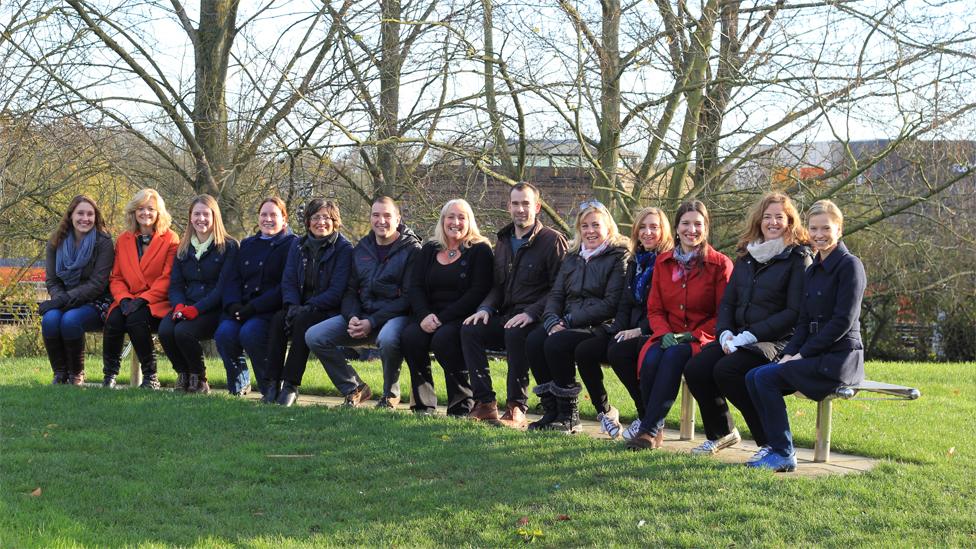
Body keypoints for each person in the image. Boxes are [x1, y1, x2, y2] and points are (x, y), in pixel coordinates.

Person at [683, 193, 811, 459]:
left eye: (779, 217)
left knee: (727, 371)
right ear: (758, 221)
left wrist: (751, 335)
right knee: (696, 368)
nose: (773, 222)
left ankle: (770, 442)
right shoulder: (747, 255)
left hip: (776, 341)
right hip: (740, 337)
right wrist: (726, 332)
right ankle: (722, 433)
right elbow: (728, 302)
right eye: (767, 217)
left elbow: (794, 312)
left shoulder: (798, 257)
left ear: (789, 221)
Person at [745, 200, 866, 472]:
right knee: (754, 376)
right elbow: (802, 322)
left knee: (765, 378)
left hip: (839, 358)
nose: (819, 234)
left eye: (826, 228)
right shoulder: (812, 269)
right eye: (814, 228)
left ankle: (783, 453)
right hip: (814, 354)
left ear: (840, 229)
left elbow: (842, 322)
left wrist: (803, 354)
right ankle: (774, 448)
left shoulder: (850, 266)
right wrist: (788, 354)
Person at [627, 200, 733, 450]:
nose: (691, 230)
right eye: (685, 223)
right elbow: (655, 308)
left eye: (698, 224)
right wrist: (664, 333)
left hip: (701, 338)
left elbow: (724, 313)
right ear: (676, 228)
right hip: (666, 334)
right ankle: (653, 426)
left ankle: (648, 431)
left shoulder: (720, 264)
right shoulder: (663, 263)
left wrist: (690, 336)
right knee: (650, 359)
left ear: (706, 227)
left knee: (674, 355)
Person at [460, 183, 567, 427]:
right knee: (469, 329)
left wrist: (531, 313)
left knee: (515, 331)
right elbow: (498, 286)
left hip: (537, 319)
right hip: (507, 314)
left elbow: (559, 290)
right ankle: (485, 403)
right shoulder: (503, 241)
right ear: (508, 206)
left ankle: (516, 407)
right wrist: (485, 308)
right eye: (516, 203)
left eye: (526, 203)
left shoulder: (552, 241)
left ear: (537, 207)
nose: (521, 209)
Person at [306, 196, 421, 408]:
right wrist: (353, 317)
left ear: (398, 219)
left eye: (387, 215)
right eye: (376, 215)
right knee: (315, 336)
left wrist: (373, 321)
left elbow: (408, 298)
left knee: (387, 339)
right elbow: (350, 291)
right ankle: (354, 387)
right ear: (370, 218)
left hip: (396, 318)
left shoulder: (412, 250)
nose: (381, 220)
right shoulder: (361, 249)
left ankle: (390, 395)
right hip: (363, 317)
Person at [525, 200, 629, 433]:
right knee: (534, 341)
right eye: (585, 226)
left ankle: (570, 416)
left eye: (595, 225)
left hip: (599, 325)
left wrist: (568, 321)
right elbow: (557, 294)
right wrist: (552, 320)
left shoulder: (618, 256)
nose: (590, 231)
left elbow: (610, 304)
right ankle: (551, 411)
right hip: (566, 322)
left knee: (556, 344)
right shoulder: (572, 257)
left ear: (608, 228)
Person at [572, 206, 673, 440]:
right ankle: (607, 412)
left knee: (619, 351)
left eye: (654, 227)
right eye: (642, 228)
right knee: (585, 350)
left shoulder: (667, 261)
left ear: (664, 231)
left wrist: (639, 330)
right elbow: (626, 302)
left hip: (655, 330)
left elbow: (666, 307)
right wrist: (618, 329)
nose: (647, 232)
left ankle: (648, 417)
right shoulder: (636, 260)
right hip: (628, 326)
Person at [401, 199, 493, 416]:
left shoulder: (480, 250)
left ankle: (461, 404)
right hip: (429, 315)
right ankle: (423, 405)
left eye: (462, 217)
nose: (456, 222)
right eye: (450, 217)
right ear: (442, 221)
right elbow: (414, 286)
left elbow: (478, 291)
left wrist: (442, 318)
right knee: (411, 337)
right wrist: (424, 315)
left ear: (469, 221)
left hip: (462, 315)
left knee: (444, 339)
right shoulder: (430, 249)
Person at [263, 199, 353, 405]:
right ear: (308, 221)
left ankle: (290, 385)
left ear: (335, 221)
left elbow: (337, 290)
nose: (320, 222)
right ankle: (271, 384)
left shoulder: (343, 248)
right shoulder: (298, 244)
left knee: (303, 322)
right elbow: (289, 280)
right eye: (315, 217)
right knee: (278, 320)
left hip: (327, 309)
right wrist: (292, 306)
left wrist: (307, 307)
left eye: (326, 218)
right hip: (299, 307)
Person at [215, 197, 297, 396]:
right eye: (263, 214)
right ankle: (239, 385)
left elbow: (284, 285)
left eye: (273, 215)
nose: (268, 219)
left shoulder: (292, 244)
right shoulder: (248, 244)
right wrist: (234, 306)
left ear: (284, 219)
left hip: (269, 310)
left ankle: (269, 387)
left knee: (250, 334)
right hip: (241, 309)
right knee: (224, 334)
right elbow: (233, 278)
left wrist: (253, 308)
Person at [158, 195, 239, 395]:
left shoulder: (228, 246)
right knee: (166, 330)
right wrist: (178, 306)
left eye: (206, 214)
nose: (201, 219)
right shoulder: (183, 248)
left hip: (213, 308)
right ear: (190, 217)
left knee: (183, 332)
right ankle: (183, 374)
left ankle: (199, 377)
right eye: (196, 214)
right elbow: (176, 285)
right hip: (186, 306)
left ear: (214, 217)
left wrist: (196, 309)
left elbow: (223, 288)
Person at [102, 188, 179, 389]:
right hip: (127, 298)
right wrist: (125, 299)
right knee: (114, 320)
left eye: (150, 209)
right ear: (133, 212)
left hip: (155, 300)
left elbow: (167, 277)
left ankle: (150, 376)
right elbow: (116, 277)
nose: (145, 213)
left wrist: (143, 299)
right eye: (140, 209)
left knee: (136, 320)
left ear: (158, 213)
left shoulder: (171, 239)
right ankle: (109, 375)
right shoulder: (123, 239)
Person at [40, 195, 114, 385]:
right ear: (71, 215)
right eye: (80, 213)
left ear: (95, 217)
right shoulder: (55, 241)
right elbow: (52, 280)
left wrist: (60, 301)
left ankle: (76, 375)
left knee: (70, 320)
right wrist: (59, 299)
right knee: (50, 319)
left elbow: (98, 283)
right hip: (64, 299)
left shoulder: (103, 242)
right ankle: (60, 373)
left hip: (96, 301)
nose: (85, 218)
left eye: (90, 214)